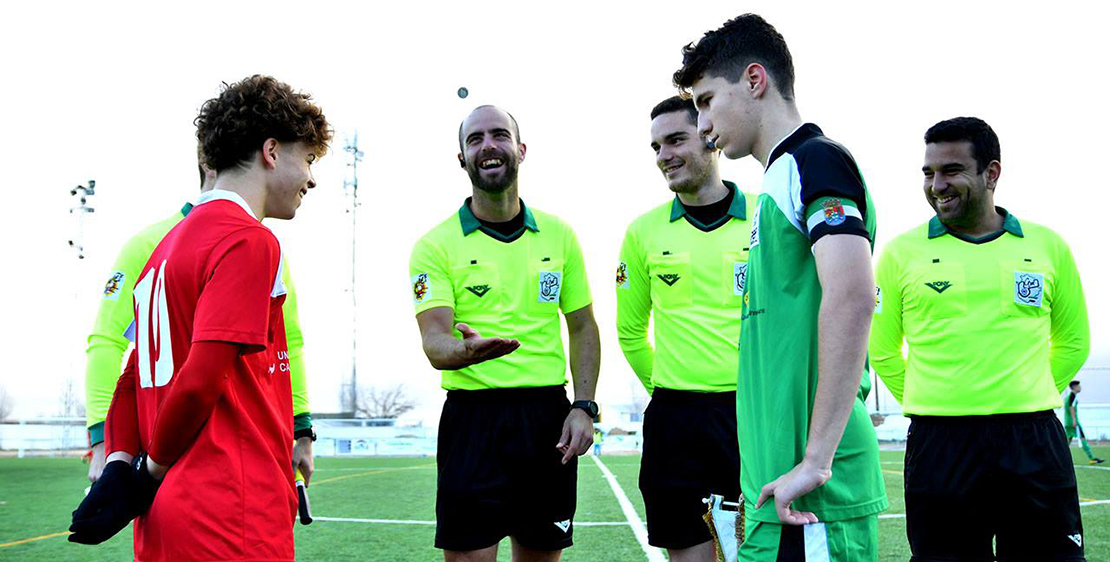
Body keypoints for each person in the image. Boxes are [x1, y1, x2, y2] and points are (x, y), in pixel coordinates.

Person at [69, 75, 330, 562]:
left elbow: (131, 378)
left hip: (165, 519)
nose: (311, 178)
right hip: (231, 509)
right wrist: (148, 471)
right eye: (308, 158)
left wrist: (122, 463)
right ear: (271, 151)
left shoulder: (163, 248)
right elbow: (198, 381)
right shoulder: (249, 240)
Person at [673, 14, 887, 561]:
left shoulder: (816, 160)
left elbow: (853, 295)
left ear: (753, 80)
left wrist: (815, 460)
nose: (701, 125)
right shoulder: (773, 181)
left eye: (705, 100)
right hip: (777, 484)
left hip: (814, 493)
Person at [870, 116, 1090, 561]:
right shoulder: (900, 253)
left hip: (1032, 439)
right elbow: (881, 348)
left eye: (951, 171)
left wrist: (1020, 390)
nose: (937, 185)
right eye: (928, 173)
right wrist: (937, 397)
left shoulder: (1048, 246)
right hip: (939, 444)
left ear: (992, 173)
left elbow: (1073, 341)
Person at [410, 105, 600, 562]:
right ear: (462, 158)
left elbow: (582, 326)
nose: (488, 145)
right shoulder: (435, 245)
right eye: (475, 139)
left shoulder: (560, 236)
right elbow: (434, 340)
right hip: (472, 422)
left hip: (546, 419)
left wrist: (584, 406)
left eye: (499, 135)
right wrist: (465, 352)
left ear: (520, 149)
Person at [83, 156, 317, 486]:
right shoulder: (145, 245)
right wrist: (103, 441)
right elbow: (108, 341)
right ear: (210, 163)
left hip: (247, 454)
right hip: (168, 454)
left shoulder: (263, 246)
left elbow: (287, 343)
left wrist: (302, 429)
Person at [617, 95, 749, 562]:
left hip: (753, 412)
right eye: (656, 146)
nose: (664, 155)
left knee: (756, 551)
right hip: (677, 423)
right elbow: (631, 333)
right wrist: (674, 387)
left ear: (710, 137)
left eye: (675, 140)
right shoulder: (642, 233)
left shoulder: (766, 217)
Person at [1065, 381, 1103, 464]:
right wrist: (1074, 419)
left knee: (1067, 441)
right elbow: (1071, 407)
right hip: (1073, 422)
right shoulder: (1072, 396)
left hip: (1068, 422)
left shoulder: (1069, 396)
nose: (1080, 387)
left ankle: (1060, 458)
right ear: (1074, 387)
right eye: (1078, 386)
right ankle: (1091, 458)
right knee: (1082, 438)